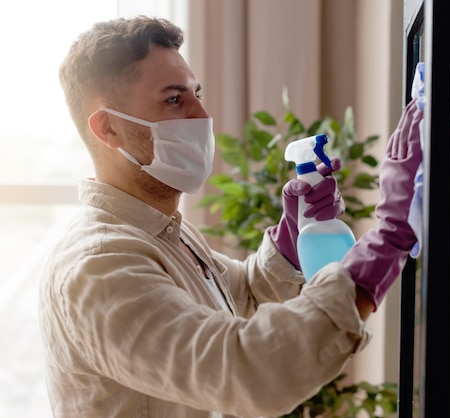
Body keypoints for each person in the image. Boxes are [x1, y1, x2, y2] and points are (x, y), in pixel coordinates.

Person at [38, 16, 422, 418]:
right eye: (174, 99)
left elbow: (241, 298)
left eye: (196, 93)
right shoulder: (99, 265)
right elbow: (249, 371)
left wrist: (289, 242)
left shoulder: (159, 232)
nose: (201, 114)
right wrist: (390, 237)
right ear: (108, 128)